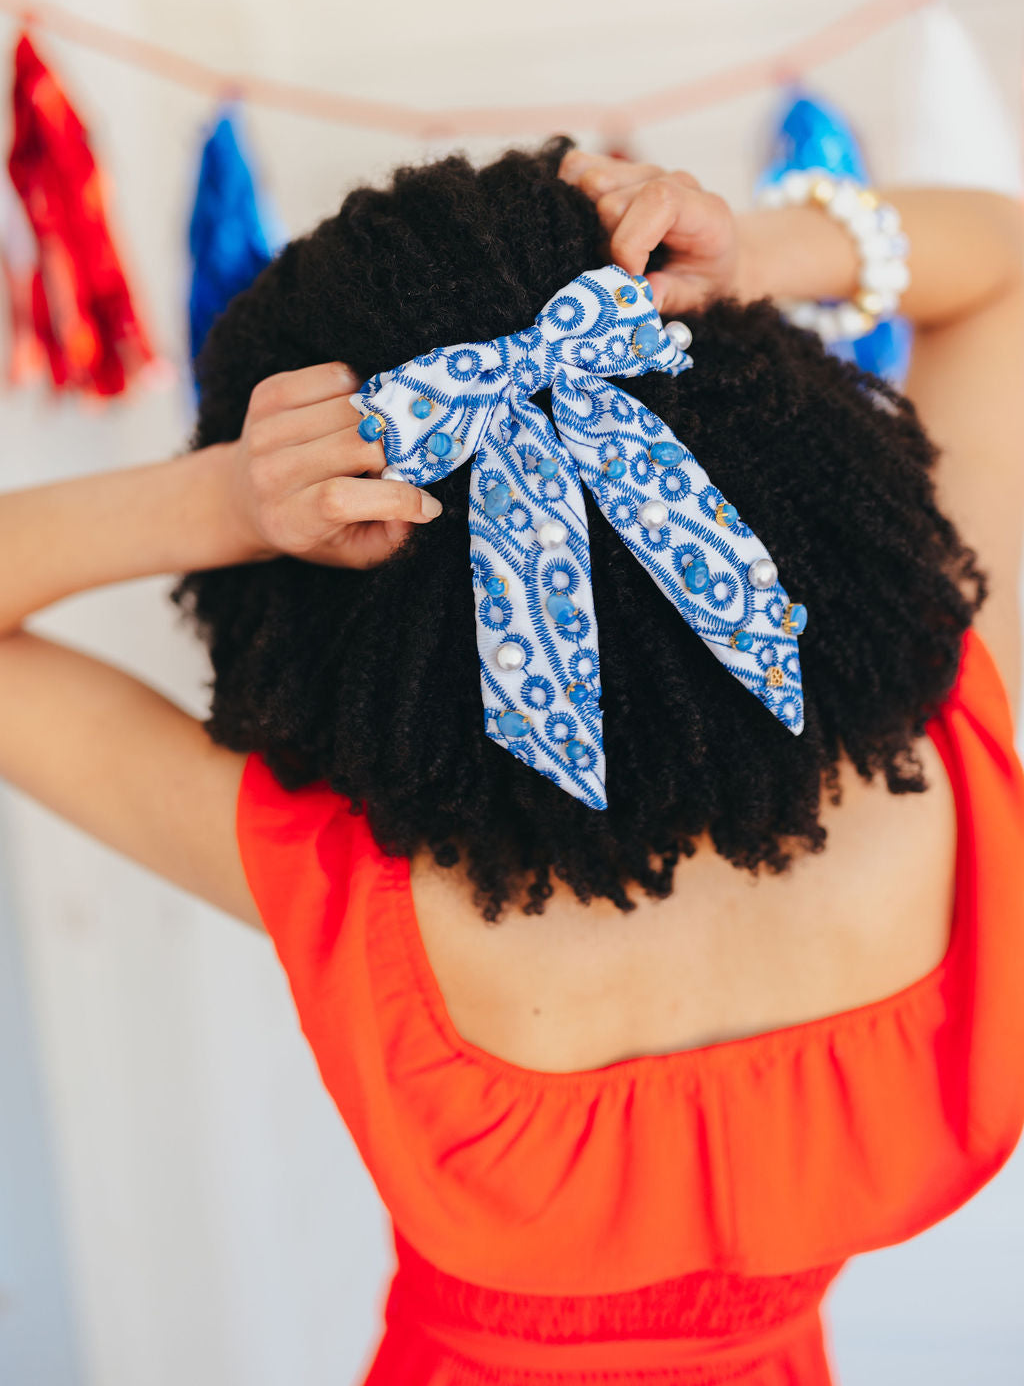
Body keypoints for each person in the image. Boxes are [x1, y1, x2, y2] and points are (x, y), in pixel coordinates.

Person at [1, 138, 1022, 1384]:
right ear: (762, 422)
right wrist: (751, 255)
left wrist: (225, 502)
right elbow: (1003, 264)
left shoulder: (354, 884)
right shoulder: (953, 739)